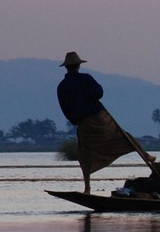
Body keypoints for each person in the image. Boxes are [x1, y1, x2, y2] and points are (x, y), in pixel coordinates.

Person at [56, 51, 140, 193]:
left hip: (85, 124)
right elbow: (98, 93)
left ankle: (87, 188)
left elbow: (66, 110)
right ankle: (146, 156)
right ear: (78, 66)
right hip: (101, 118)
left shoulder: (62, 86)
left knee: (84, 154)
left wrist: (76, 119)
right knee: (123, 136)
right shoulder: (86, 79)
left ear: (67, 67)